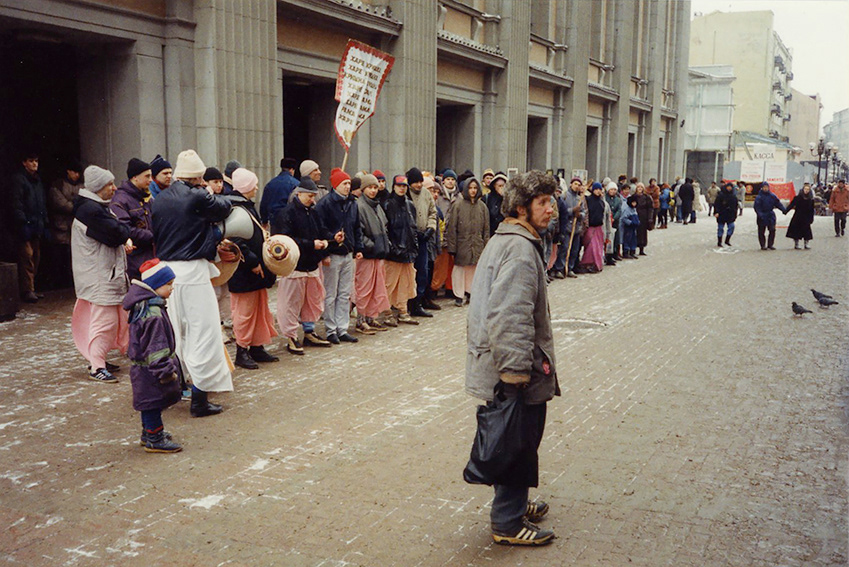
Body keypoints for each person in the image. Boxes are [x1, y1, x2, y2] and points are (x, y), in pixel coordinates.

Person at [465, 170, 559, 546]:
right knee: (516, 440)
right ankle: (507, 521)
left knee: (516, 439)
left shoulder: (511, 237)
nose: (551, 209)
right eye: (543, 203)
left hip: (509, 362)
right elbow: (510, 315)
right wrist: (515, 373)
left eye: (551, 201)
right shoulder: (520, 249)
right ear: (521, 208)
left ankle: (515, 504)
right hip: (514, 368)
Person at [151, 149, 233, 417]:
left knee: (176, 333)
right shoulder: (198, 194)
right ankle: (199, 398)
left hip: (167, 272)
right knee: (204, 334)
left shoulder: (160, 198)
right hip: (194, 271)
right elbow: (225, 207)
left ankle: (177, 386)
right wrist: (207, 192)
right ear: (198, 176)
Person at [71, 165, 133, 383]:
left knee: (111, 320)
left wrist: (122, 234)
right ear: (98, 187)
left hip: (103, 275)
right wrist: (125, 234)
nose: (114, 188)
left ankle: (99, 359)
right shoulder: (91, 211)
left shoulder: (94, 208)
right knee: (104, 322)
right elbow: (117, 232)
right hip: (100, 278)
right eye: (109, 184)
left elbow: (116, 232)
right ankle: (96, 366)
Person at [123, 259, 183, 453]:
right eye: (168, 284)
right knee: (152, 402)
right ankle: (154, 439)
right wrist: (164, 370)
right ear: (155, 286)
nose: (172, 288)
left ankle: (148, 433)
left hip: (143, 366)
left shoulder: (145, 305)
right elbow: (156, 346)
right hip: (151, 368)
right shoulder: (153, 313)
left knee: (149, 401)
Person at [272, 183, 337, 354]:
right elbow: (285, 240)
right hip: (294, 265)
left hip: (312, 264)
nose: (313, 199)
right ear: (299, 194)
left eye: (314, 195)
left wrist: (331, 238)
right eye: (309, 195)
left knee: (312, 300)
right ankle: (291, 336)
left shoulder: (314, 212)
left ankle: (309, 331)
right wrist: (311, 244)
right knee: (291, 303)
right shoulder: (286, 213)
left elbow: (322, 231)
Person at [227, 168, 279, 369]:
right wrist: (252, 261)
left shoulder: (244, 205)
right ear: (246, 187)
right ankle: (242, 350)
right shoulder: (236, 207)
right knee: (244, 312)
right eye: (254, 184)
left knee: (258, 308)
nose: (257, 187)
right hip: (245, 270)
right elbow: (236, 239)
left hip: (254, 269)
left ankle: (256, 346)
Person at [315, 168, 364, 344]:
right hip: (333, 253)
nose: (347, 186)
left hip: (348, 253)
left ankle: (342, 328)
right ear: (335, 185)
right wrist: (327, 248)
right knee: (331, 293)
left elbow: (357, 227)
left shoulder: (352, 203)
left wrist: (358, 247)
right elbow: (320, 229)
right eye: (344, 183)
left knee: (344, 293)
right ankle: (330, 329)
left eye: (349, 183)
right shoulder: (325, 204)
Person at [354, 174, 391, 334]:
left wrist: (385, 244)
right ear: (363, 189)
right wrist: (372, 245)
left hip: (378, 254)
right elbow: (359, 232)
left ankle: (371, 316)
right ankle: (360, 320)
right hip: (368, 255)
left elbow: (385, 226)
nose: (373, 190)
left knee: (377, 287)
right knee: (364, 288)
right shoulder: (360, 206)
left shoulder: (377, 206)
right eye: (370, 187)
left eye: (375, 187)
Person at [11, 150, 48, 303]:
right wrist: (22, 222)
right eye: (31, 161)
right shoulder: (19, 180)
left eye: (36, 161)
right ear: (24, 162)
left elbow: (42, 202)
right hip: (25, 225)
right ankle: (27, 290)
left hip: (36, 224)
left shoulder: (37, 181)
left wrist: (44, 221)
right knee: (27, 258)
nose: (35, 164)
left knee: (36, 257)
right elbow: (16, 203)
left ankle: (32, 288)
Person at [445, 177, 489, 306]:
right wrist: (452, 247)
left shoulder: (482, 207)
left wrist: (486, 245)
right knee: (459, 270)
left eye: (475, 188)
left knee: (474, 270)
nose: (473, 191)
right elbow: (452, 228)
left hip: (477, 243)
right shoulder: (457, 205)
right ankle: (458, 295)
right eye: (470, 188)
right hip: (462, 243)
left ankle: (471, 293)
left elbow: (486, 229)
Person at [382, 175, 419, 325]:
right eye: (399, 185)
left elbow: (413, 228)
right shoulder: (387, 205)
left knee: (406, 282)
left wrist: (414, 247)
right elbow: (385, 229)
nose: (402, 188)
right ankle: (387, 312)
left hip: (408, 251)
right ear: (394, 186)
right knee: (389, 283)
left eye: (404, 185)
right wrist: (392, 249)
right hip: (394, 252)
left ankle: (403, 310)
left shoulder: (410, 205)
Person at [111, 158, 154, 281]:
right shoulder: (120, 201)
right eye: (147, 176)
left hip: (148, 258)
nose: (150, 180)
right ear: (135, 177)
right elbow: (124, 228)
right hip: (134, 261)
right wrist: (151, 235)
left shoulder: (147, 198)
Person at [406, 167, 437, 318]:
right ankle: (407, 303)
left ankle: (418, 302)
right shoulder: (405, 194)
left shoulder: (426, 194)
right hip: (409, 238)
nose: (418, 185)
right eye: (415, 182)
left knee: (423, 271)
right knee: (409, 272)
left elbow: (433, 212)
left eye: (420, 182)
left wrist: (431, 228)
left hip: (423, 237)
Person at [48, 160, 83, 288]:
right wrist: (75, 206)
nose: (77, 175)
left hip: (74, 227)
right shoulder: (58, 185)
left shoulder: (81, 186)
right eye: (74, 172)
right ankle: (59, 283)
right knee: (60, 257)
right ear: (68, 171)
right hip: (61, 227)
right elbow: (60, 203)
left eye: (78, 173)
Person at [260, 157, 299, 224]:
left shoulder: (270, 184)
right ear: (292, 170)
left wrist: (264, 220)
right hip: (289, 221)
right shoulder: (296, 184)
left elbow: (264, 204)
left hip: (274, 220)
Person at [579, 182, 607, 272]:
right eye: (596, 189)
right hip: (590, 226)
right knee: (591, 246)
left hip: (598, 227)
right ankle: (587, 263)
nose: (598, 191)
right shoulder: (588, 200)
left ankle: (596, 264)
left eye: (599, 189)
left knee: (597, 247)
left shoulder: (602, 202)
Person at [753, 182, 787, 250]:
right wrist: (760, 215)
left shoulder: (772, 196)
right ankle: (763, 245)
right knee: (761, 231)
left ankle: (770, 244)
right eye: (764, 187)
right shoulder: (759, 197)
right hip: (762, 215)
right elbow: (757, 207)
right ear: (762, 188)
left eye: (766, 187)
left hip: (770, 215)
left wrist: (784, 210)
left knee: (772, 230)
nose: (765, 188)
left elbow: (778, 203)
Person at [785, 183, 815, 249]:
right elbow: (791, 205)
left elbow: (812, 210)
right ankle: (796, 244)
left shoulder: (810, 200)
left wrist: (811, 218)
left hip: (806, 217)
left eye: (808, 189)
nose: (806, 191)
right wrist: (785, 211)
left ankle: (806, 243)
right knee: (796, 231)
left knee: (806, 231)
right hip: (798, 216)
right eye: (805, 189)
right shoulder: (798, 198)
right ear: (803, 189)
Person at [713, 182, 738, 247]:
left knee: (731, 227)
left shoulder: (733, 196)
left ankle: (727, 240)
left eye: (731, 187)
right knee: (720, 228)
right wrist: (716, 212)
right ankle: (719, 241)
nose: (729, 188)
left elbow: (735, 206)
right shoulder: (721, 195)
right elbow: (717, 204)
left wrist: (735, 214)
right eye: (728, 186)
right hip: (721, 214)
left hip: (730, 214)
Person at [605, 182, 622, 262]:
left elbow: (619, 210)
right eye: (611, 189)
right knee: (608, 239)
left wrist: (614, 218)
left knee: (616, 239)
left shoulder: (618, 200)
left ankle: (615, 253)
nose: (613, 191)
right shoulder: (605, 198)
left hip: (615, 221)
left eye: (615, 189)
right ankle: (607, 255)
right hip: (606, 221)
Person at [634, 182, 652, 255]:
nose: (640, 189)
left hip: (644, 217)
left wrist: (650, 218)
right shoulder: (634, 197)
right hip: (635, 215)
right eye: (638, 187)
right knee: (635, 233)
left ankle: (642, 248)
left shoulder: (647, 197)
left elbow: (650, 208)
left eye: (641, 187)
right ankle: (633, 248)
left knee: (643, 233)